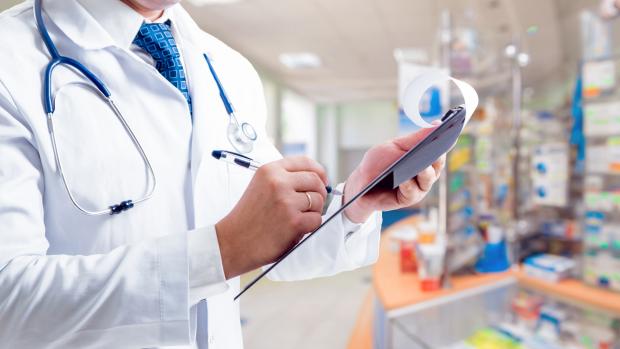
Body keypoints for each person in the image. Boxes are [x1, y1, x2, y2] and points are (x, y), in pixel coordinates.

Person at [0, 0, 445, 348]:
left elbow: (271, 243)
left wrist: (355, 200)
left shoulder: (227, 68)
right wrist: (223, 250)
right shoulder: (11, 60)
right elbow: (8, 304)